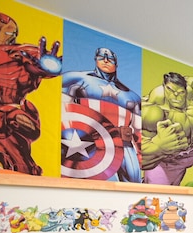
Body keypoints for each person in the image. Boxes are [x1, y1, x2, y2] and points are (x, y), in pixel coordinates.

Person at [0, 12, 61, 174]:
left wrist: (45, 67)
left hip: (11, 113)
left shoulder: (17, 51)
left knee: (18, 158)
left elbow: (47, 64)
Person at [61, 47, 142, 182]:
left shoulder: (131, 95)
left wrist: (140, 153)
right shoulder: (77, 79)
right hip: (90, 140)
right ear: (95, 60)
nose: (105, 61)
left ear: (116, 63)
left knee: (133, 179)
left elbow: (138, 129)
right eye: (101, 57)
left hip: (123, 142)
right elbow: (64, 113)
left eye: (110, 59)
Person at [141, 72, 193, 185]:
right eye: (170, 90)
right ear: (164, 87)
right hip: (169, 161)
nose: (176, 96)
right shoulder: (153, 109)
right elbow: (137, 158)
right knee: (159, 196)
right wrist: (158, 147)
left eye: (180, 92)